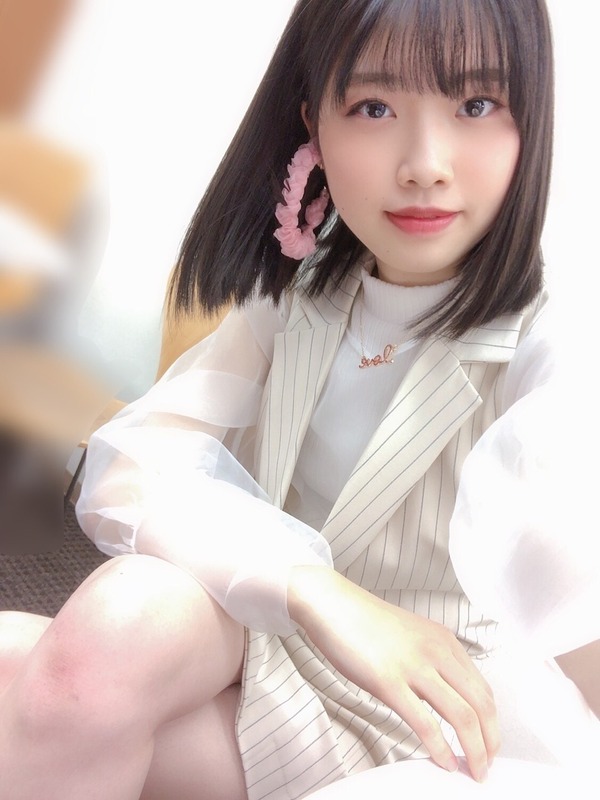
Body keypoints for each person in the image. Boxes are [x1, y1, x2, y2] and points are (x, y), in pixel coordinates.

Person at [0, 1, 598, 798]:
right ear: (315, 122)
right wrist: (316, 592)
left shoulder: (552, 344)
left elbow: (577, 591)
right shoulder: (304, 293)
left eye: (477, 104)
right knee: (95, 633)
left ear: (534, 117)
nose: (425, 164)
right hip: (270, 636)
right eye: (375, 107)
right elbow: (130, 470)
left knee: (39, 681)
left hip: (406, 714)